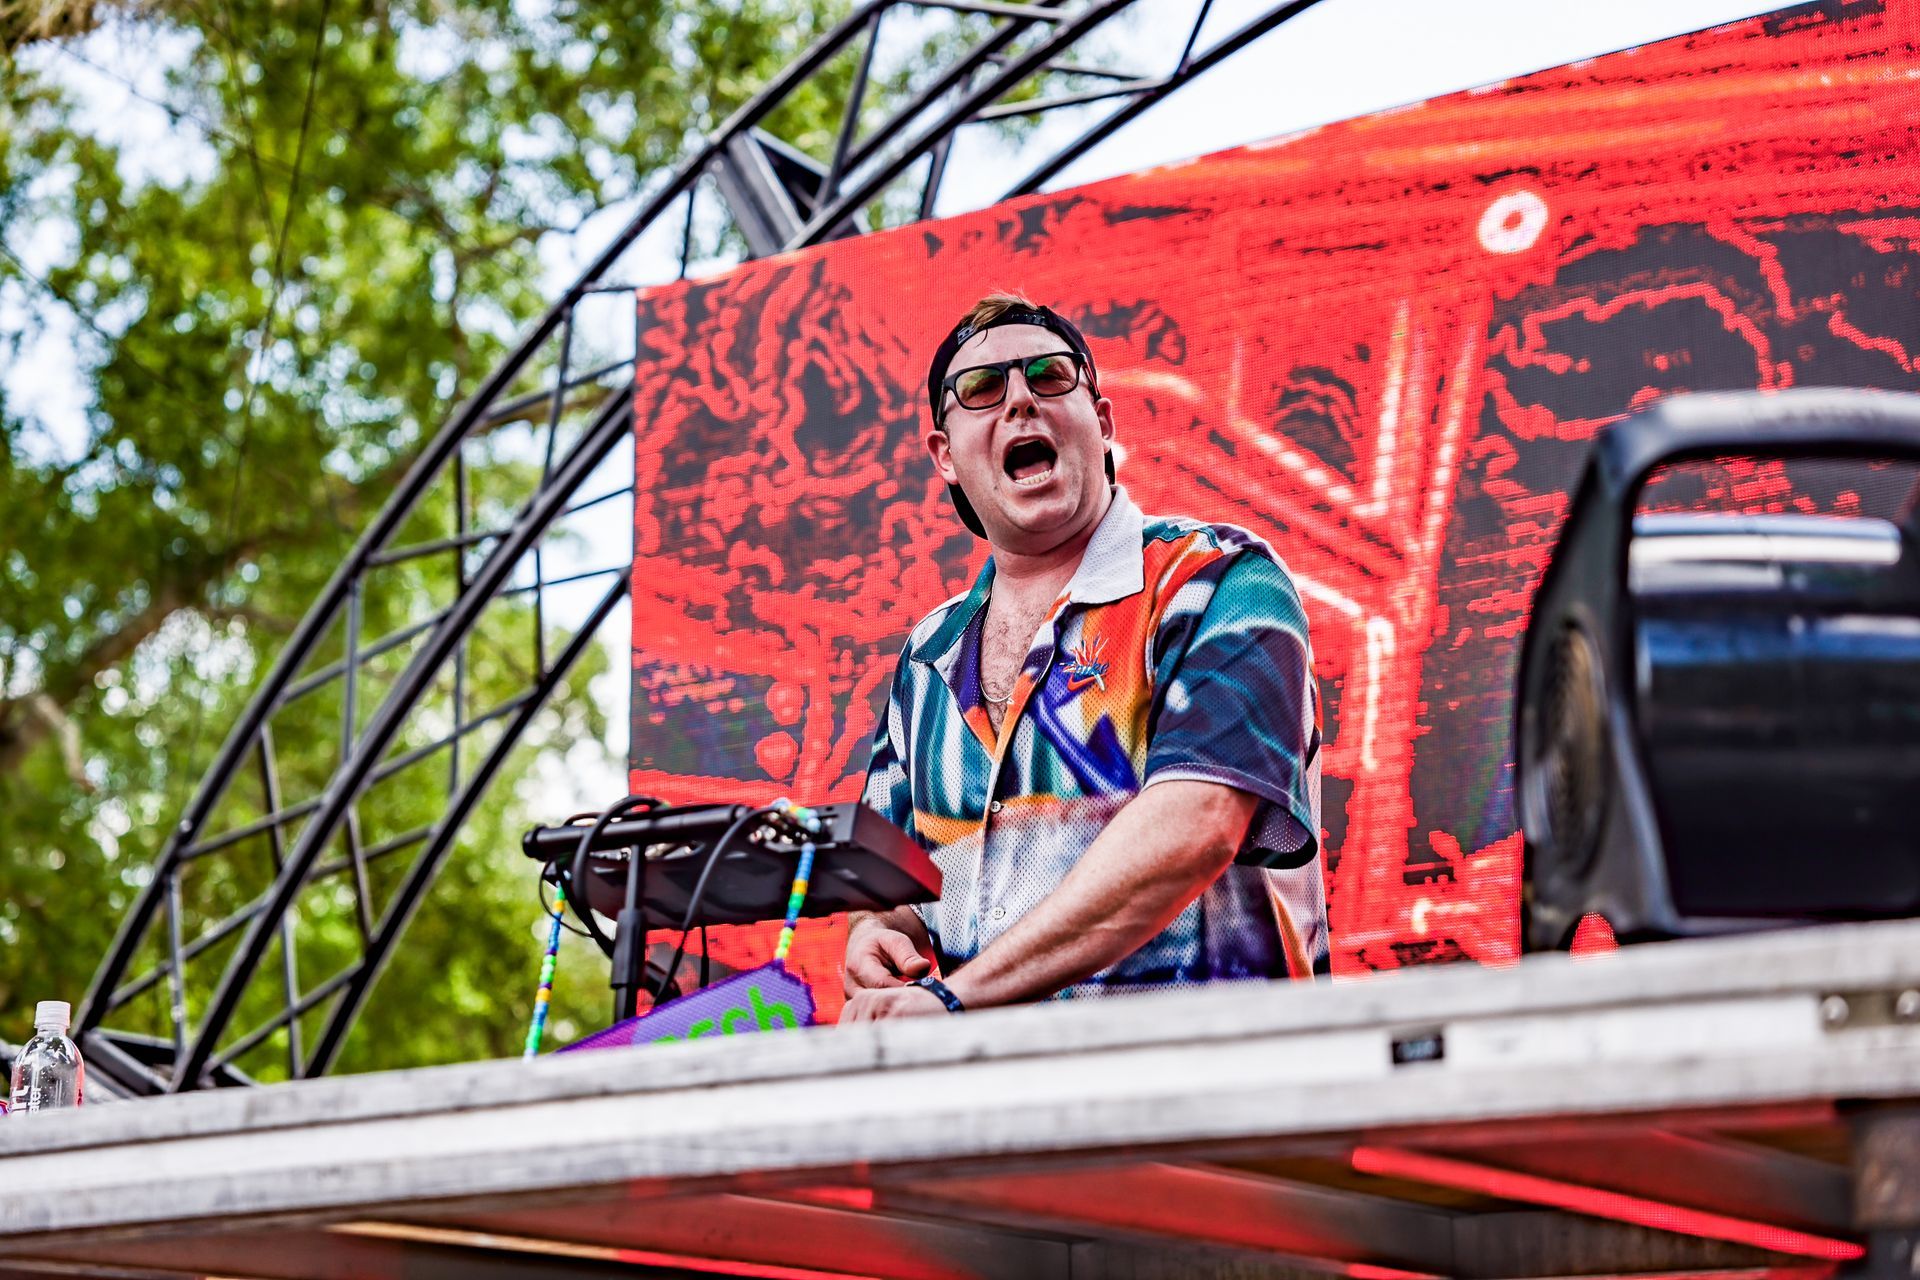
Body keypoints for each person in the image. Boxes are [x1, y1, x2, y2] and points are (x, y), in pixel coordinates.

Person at [841, 293, 1324, 1021]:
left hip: (1221, 1099)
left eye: (1048, 375)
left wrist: (956, 998)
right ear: (945, 455)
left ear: (1101, 424)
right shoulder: (925, 659)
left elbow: (1195, 827)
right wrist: (878, 935)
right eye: (981, 390)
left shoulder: (1218, 579)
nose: (1019, 401)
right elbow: (894, 891)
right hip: (1002, 1114)